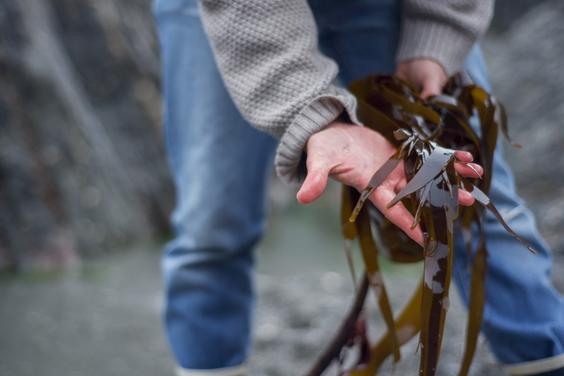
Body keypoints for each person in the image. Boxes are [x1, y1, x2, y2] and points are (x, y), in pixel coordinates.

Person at [152, 0, 564, 375]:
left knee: (477, 210)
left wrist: (437, 33)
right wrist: (312, 113)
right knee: (212, 229)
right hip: (228, 15)